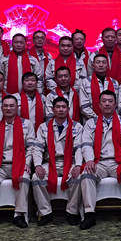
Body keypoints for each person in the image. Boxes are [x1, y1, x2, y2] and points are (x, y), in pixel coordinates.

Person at [79, 90, 121, 229]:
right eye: (104, 101)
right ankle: (89, 214)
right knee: (86, 174)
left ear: (115, 104)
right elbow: (86, 144)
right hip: (98, 162)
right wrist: (89, 160)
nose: (107, 104)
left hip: (119, 162)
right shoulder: (90, 123)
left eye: (110, 101)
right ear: (99, 105)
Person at [0, 95, 35, 229]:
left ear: (17, 108)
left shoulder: (27, 124)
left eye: (12, 106)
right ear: (1, 108)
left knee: (24, 178)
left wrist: (27, 163)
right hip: (0, 165)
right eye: (5, 106)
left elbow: (30, 147)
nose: (8, 108)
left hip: (19, 163)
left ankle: (19, 215)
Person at [30, 96, 84, 225]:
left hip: (70, 162)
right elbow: (38, 148)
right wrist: (37, 165)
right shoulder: (44, 127)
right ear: (53, 110)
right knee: (36, 177)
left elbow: (79, 148)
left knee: (79, 176)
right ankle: (45, 213)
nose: (61, 110)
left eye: (63, 107)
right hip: (50, 162)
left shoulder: (77, 126)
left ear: (68, 109)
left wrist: (78, 165)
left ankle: (72, 212)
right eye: (58, 107)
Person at [78, 54, 119, 121]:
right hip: (91, 122)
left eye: (104, 62)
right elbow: (84, 106)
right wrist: (98, 119)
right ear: (93, 65)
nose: (101, 65)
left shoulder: (114, 83)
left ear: (107, 66)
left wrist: (109, 119)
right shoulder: (85, 82)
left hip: (112, 121)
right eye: (98, 62)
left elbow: (116, 105)